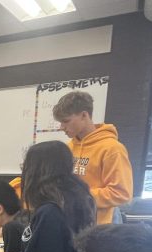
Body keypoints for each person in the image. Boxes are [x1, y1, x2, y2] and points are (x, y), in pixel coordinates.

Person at [53, 91, 133, 224]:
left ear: (84, 115)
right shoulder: (68, 148)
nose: (62, 127)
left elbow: (122, 194)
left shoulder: (112, 148)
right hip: (72, 220)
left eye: (66, 121)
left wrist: (77, 196)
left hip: (100, 224)